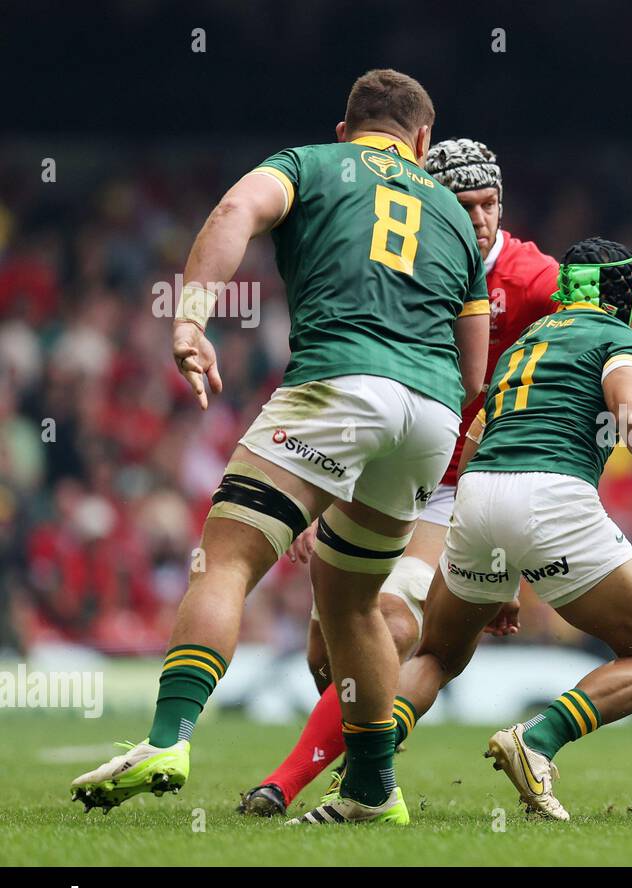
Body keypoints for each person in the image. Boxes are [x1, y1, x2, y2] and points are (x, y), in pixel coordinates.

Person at [238, 139, 632, 816]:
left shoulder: (533, 288)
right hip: (442, 472)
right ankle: (527, 742)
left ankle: (317, 786)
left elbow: (599, 343)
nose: (476, 218)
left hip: (464, 483)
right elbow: (631, 394)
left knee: (406, 632)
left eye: (487, 203)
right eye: (462, 205)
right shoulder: (403, 265)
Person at [71, 69, 489, 826]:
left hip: (339, 383)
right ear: (422, 140)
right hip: (430, 417)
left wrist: (192, 316)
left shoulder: (308, 164)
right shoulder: (456, 218)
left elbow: (236, 209)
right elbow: (473, 366)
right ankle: (370, 788)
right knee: (354, 600)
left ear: (345, 129)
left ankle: (169, 738)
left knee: (229, 555)